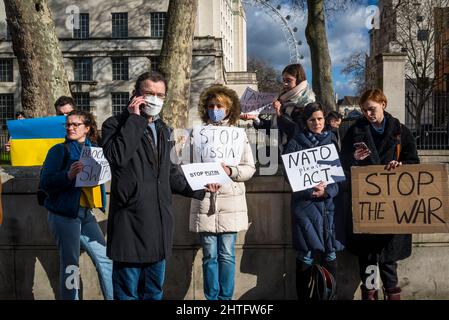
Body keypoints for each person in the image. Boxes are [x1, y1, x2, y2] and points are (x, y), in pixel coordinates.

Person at [101, 71, 215, 300]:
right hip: (129, 223)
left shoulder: (165, 130)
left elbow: (171, 173)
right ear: (135, 95)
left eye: (160, 95)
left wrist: (201, 187)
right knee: (127, 294)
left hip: (159, 226)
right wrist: (134, 119)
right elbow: (117, 156)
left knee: (153, 292)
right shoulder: (114, 124)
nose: (155, 99)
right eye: (149, 93)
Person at [340, 89, 419, 300]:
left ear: (383, 104)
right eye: (364, 110)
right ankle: (370, 294)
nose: (367, 114)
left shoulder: (401, 132)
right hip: (365, 205)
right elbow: (342, 164)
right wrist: (354, 158)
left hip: (392, 206)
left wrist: (400, 165)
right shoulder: (353, 131)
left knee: (388, 260)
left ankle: (391, 292)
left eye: (371, 109)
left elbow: (414, 164)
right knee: (367, 260)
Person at [189, 84, 256, 300]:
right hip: (205, 202)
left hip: (231, 203)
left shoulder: (239, 135)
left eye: (220, 105)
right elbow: (186, 166)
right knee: (209, 256)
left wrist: (230, 170)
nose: (215, 109)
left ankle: (225, 300)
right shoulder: (196, 134)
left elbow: (249, 168)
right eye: (211, 105)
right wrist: (202, 181)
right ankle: (211, 299)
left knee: (227, 255)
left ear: (228, 109)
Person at [40, 110, 113, 300]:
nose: (71, 128)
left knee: (105, 259)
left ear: (87, 128)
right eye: (68, 124)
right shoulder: (59, 150)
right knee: (70, 265)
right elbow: (45, 183)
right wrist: (68, 176)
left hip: (86, 214)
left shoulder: (96, 149)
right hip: (64, 215)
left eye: (76, 124)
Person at [282, 102, 342, 300]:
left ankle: (330, 297)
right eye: (312, 119)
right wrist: (310, 191)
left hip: (328, 209)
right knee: (305, 255)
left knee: (331, 254)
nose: (317, 123)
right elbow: (290, 177)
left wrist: (326, 192)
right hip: (305, 209)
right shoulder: (294, 143)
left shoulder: (332, 141)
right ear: (305, 121)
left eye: (320, 118)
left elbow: (338, 178)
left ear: (325, 120)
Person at [240, 63, 315, 148]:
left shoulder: (307, 102)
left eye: (289, 80)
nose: (285, 84)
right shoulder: (283, 100)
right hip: (283, 152)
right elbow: (274, 130)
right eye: (284, 80)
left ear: (299, 81)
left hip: (300, 153)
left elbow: (298, 131)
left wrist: (280, 114)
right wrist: (255, 118)